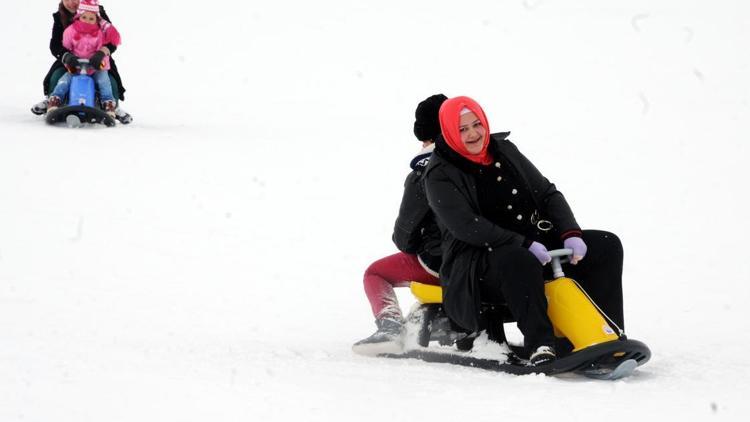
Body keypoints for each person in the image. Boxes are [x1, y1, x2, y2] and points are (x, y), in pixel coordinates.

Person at [423, 96, 624, 365]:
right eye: (462, 129)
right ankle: (541, 344)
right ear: (448, 132)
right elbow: (465, 226)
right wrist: (522, 243)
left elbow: (547, 194)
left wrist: (570, 233)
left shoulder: (504, 150)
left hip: (532, 243)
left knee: (606, 244)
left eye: (476, 124)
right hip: (477, 263)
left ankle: (608, 333)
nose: (473, 134)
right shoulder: (439, 173)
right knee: (517, 259)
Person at [352, 94, 448, 355]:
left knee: (375, 272)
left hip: (440, 265)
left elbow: (404, 237)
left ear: (423, 135)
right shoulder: (478, 161)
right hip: (485, 257)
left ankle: (390, 326)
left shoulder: (423, 173)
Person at [31, 0, 132, 124]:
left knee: (109, 82)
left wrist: (101, 53)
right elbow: (55, 44)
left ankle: (112, 107)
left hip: (98, 61)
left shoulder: (96, 11)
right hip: (71, 60)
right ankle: (52, 101)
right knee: (58, 77)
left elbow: (111, 40)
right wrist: (66, 56)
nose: (71, 2)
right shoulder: (61, 17)